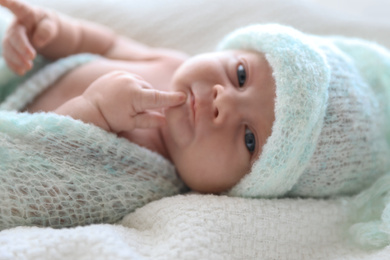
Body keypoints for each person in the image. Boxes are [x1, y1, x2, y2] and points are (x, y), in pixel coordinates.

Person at [1, 0, 389, 201]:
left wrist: (94, 112)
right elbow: (107, 44)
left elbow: (32, 171)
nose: (223, 103)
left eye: (249, 139)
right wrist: (52, 32)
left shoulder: (144, 174)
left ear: (239, 189)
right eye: (241, 76)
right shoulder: (172, 63)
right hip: (23, 71)